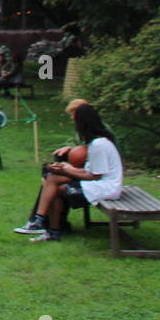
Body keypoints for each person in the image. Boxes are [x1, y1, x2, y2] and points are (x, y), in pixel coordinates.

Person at [14, 103, 123, 242]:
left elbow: (94, 176)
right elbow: (89, 170)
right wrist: (66, 168)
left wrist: (67, 171)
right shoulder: (96, 142)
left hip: (105, 188)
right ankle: (44, 225)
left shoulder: (99, 145)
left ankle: (42, 224)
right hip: (98, 183)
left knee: (56, 187)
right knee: (53, 178)